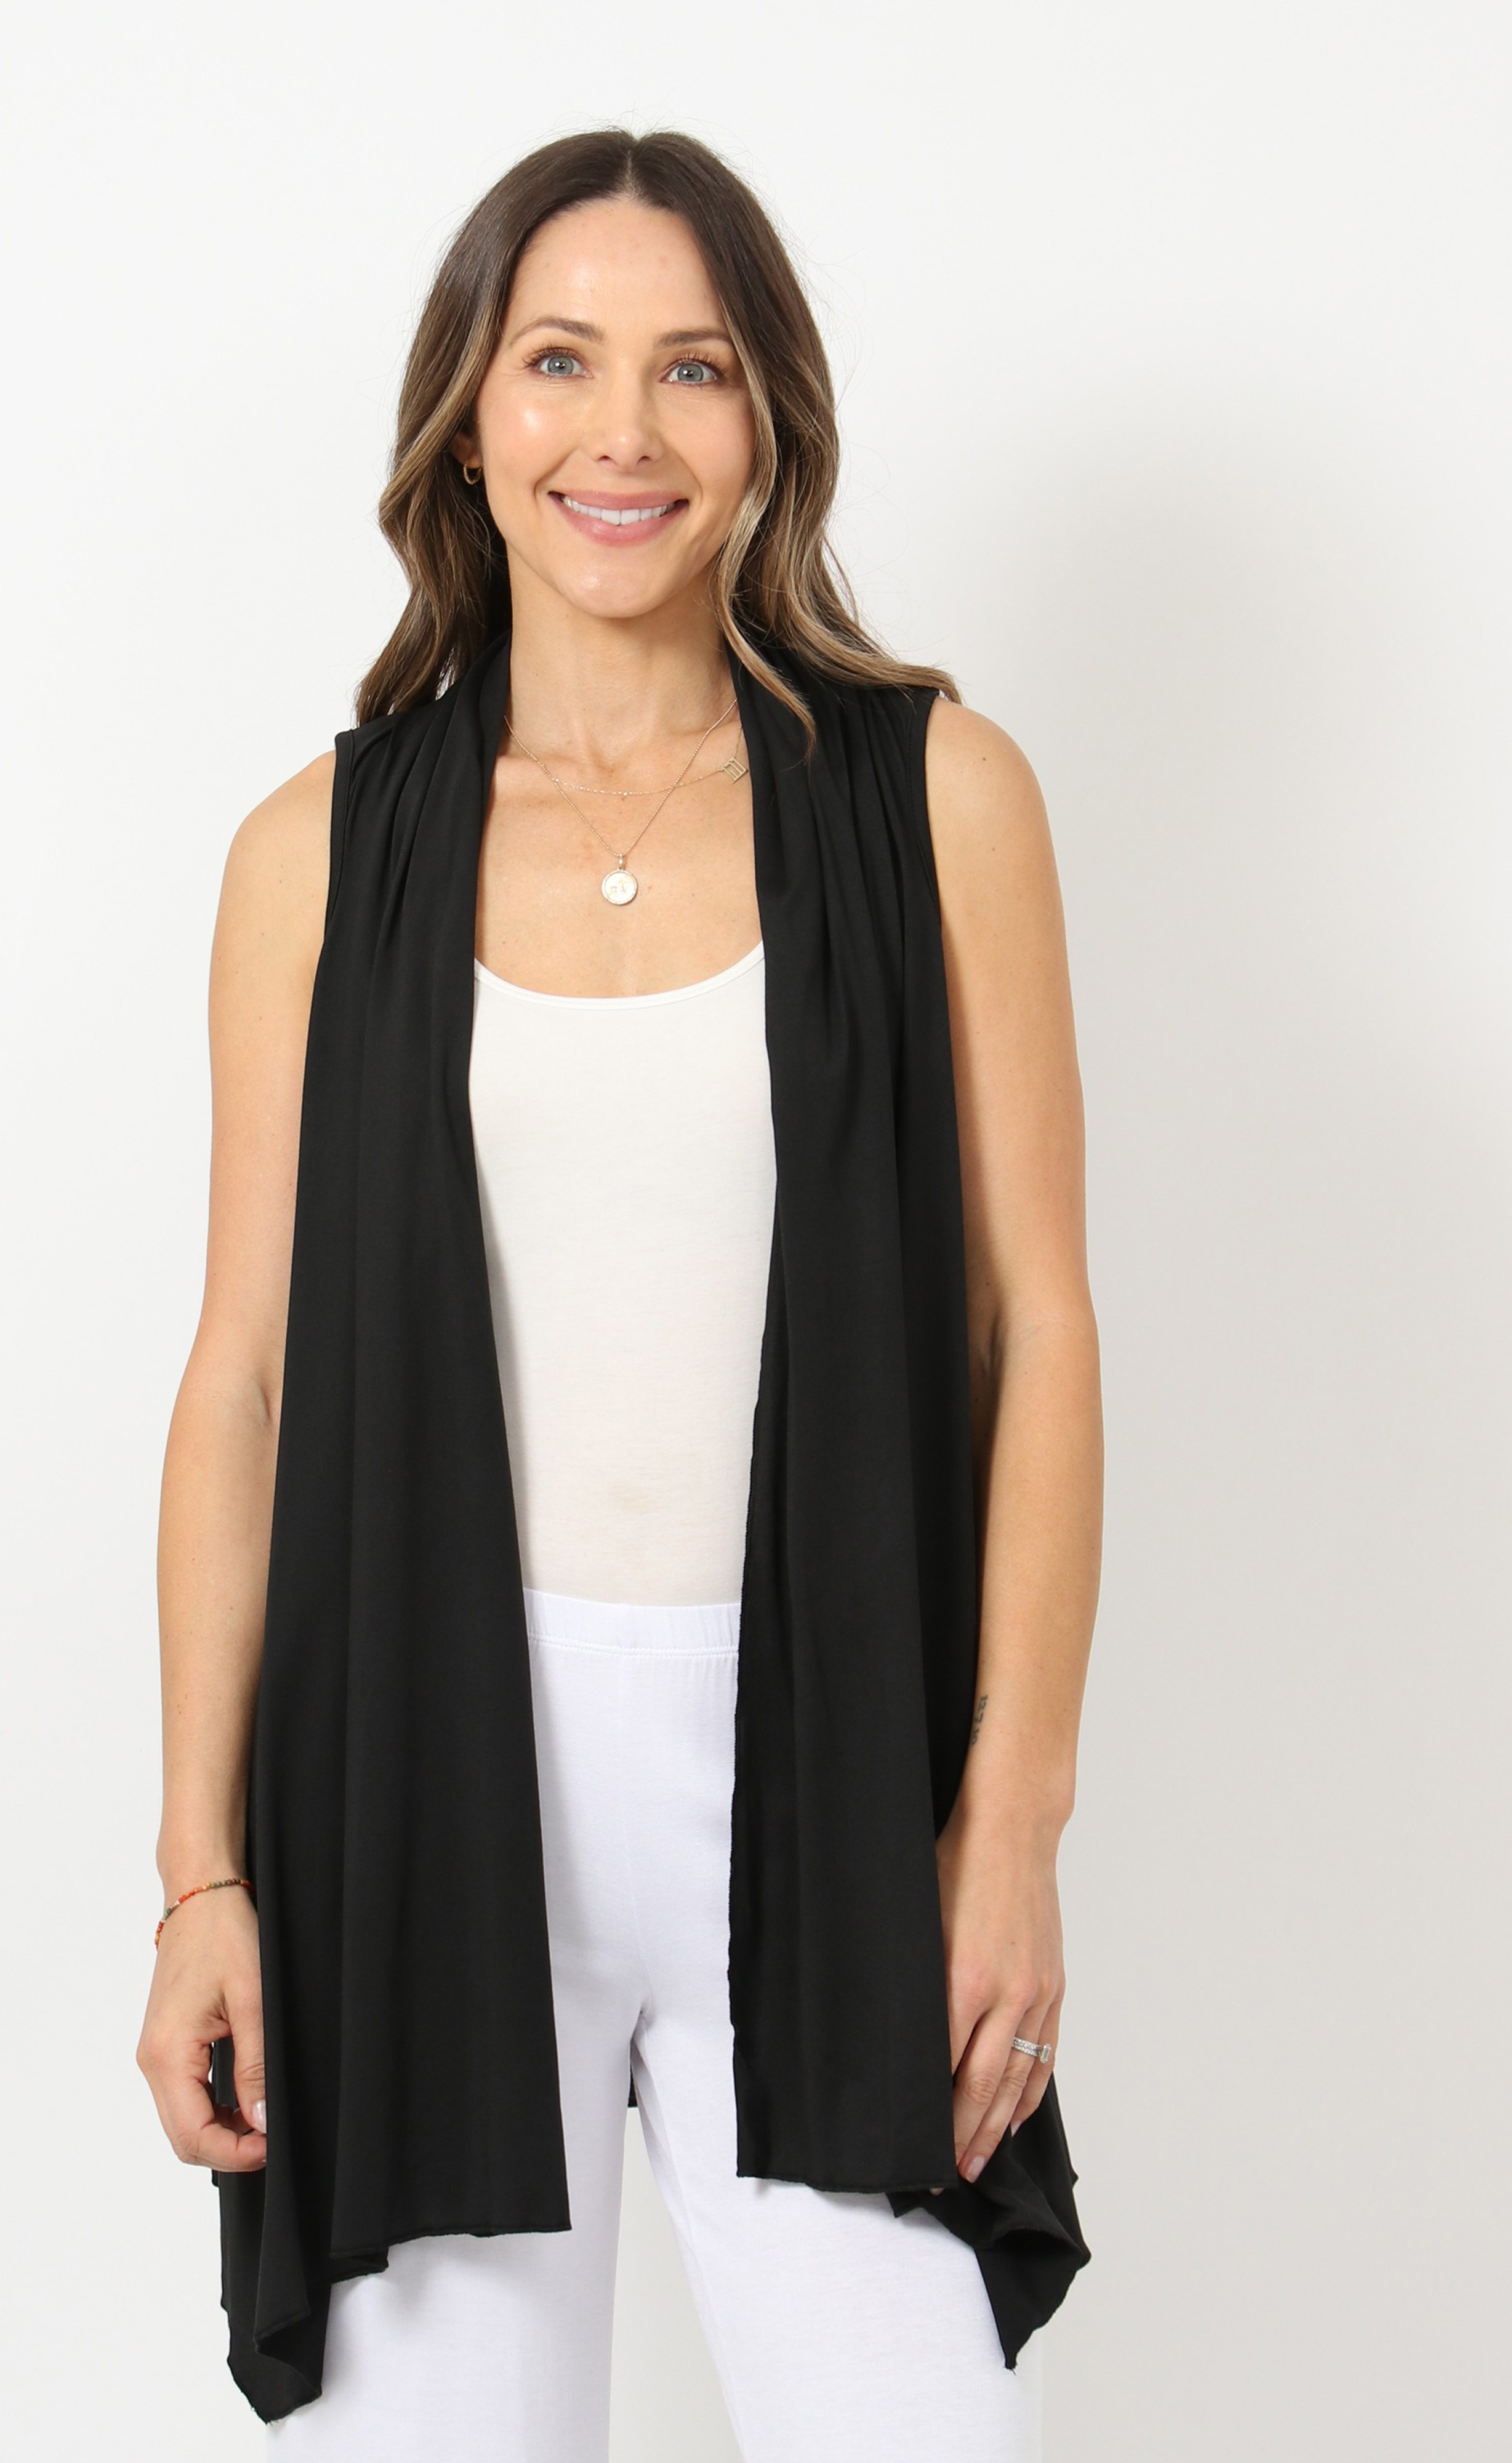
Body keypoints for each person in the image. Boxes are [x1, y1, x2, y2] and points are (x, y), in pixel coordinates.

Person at [136, 127, 1101, 2462]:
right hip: (420, 1788)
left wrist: (1009, 1826)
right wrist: (200, 1874)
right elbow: (243, 1380)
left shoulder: (935, 797)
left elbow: (1035, 1332)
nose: (624, 432)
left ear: (767, 420)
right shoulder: (317, 855)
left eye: (695, 368)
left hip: (833, 1779)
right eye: (560, 361)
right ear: (470, 418)